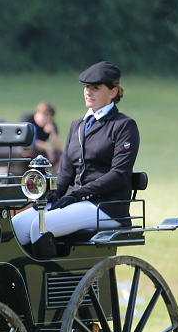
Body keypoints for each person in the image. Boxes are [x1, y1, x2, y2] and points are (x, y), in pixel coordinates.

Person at [12, 61, 139, 250]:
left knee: (40, 226)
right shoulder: (77, 126)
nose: (88, 92)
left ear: (112, 92)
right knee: (17, 224)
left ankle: (47, 277)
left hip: (105, 206)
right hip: (75, 201)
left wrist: (78, 194)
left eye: (96, 88)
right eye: (87, 87)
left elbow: (118, 174)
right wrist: (54, 194)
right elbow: (65, 172)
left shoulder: (123, 126)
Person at [21, 101, 64, 172]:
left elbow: (58, 147)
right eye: (44, 115)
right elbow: (26, 140)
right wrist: (46, 147)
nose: (46, 119)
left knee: (62, 157)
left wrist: (52, 133)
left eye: (49, 117)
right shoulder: (27, 120)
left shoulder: (50, 124)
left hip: (42, 153)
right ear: (37, 113)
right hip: (28, 151)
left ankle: (56, 179)